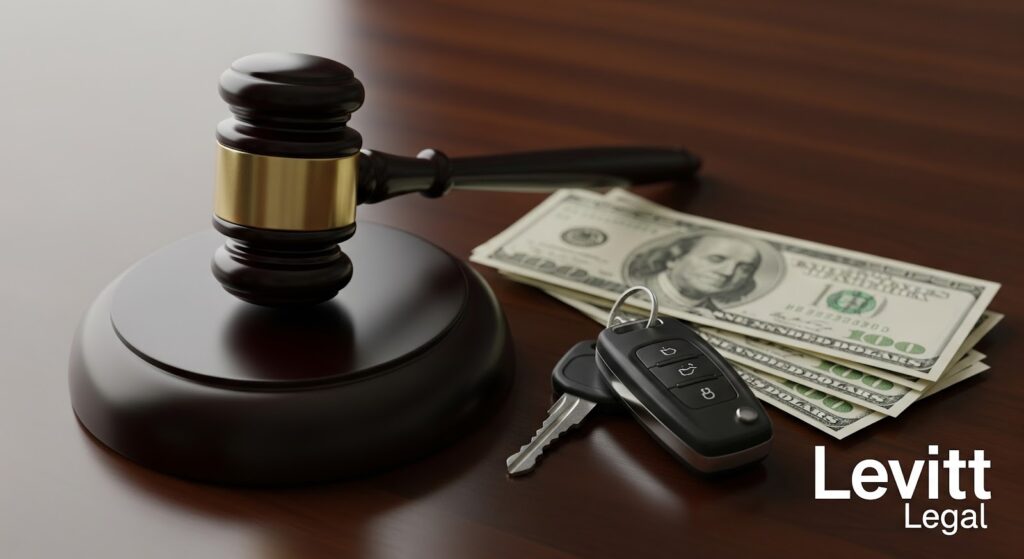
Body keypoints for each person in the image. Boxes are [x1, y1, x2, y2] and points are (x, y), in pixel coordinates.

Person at [630, 234, 762, 312]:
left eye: (745, 269)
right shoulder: (632, 292)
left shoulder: (713, 314)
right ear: (674, 258)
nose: (728, 272)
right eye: (716, 259)